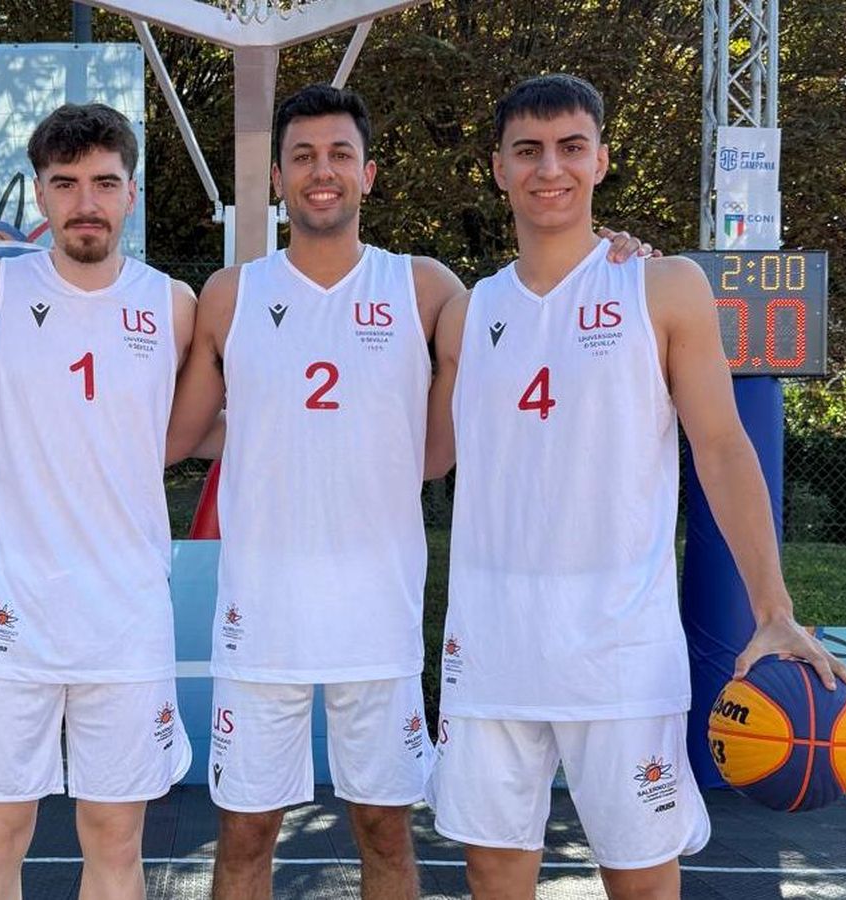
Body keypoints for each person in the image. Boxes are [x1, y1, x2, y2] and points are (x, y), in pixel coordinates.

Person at [166, 83, 650, 900]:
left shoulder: (427, 290)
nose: (323, 172)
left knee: (385, 831)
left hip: (377, 615)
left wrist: (615, 253)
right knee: (245, 833)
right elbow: (177, 440)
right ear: (278, 179)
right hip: (261, 617)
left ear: (370, 173)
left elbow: (535, 336)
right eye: (304, 157)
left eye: (340, 155)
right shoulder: (229, 294)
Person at [422, 73, 846, 899]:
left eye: (570, 148)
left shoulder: (660, 286)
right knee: (491, 872)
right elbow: (421, 457)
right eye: (528, 151)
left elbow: (725, 451)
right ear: (498, 168)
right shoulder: (467, 310)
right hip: (490, 645)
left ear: (600, 160)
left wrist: (775, 609)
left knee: (641, 881)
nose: (548, 168)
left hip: (618, 648)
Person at [0, 102, 196, 900]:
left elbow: (183, 433)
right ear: (42, 196)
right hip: (9, 615)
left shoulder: (174, 304)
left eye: (104, 183)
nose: (86, 201)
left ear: (132, 193)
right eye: (66, 183)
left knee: (116, 842)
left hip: (125, 618)